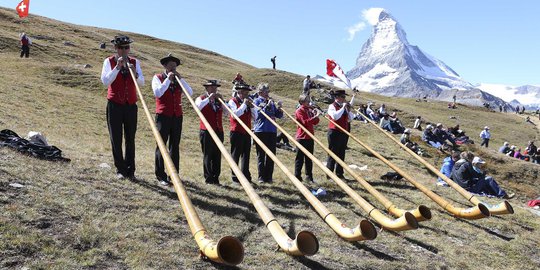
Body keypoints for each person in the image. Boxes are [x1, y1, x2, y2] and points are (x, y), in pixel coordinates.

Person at [100, 35, 144, 180]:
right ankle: (120, 169)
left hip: (131, 105)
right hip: (114, 105)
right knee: (116, 138)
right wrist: (117, 68)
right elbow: (105, 81)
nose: (124, 50)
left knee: (130, 138)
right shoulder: (109, 61)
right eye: (121, 48)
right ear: (116, 48)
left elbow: (142, 83)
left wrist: (135, 73)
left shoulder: (135, 62)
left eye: (127, 47)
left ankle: (131, 170)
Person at [152, 54, 193, 186]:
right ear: (165, 66)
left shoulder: (178, 80)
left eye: (174, 67)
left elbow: (190, 92)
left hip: (177, 116)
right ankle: (161, 175)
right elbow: (158, 93)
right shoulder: (157, 78)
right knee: (161, 145)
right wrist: (168, 80)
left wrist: (181, 80)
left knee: (174, 146)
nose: (173, 69)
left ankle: (174, 175)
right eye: (170, 67)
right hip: (163, 116)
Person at [195, 80, 224, 184]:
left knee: (217, 154)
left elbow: (226, 112)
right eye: (212, 87)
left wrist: (222, 100)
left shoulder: (218, 100)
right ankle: (208, 178)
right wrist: (209, 98)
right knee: (208, 154)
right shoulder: (201, 98)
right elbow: (198, 107)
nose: (214, 89)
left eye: (215, 87)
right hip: (206, 131)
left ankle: (216, 177)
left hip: (218, 130)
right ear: (206, 88)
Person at [253, 83, 283, 183]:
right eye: (265, 91)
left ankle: (269, 177)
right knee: (261, 155)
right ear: (260, 92)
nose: (267, 93)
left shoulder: (271, 102)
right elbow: (259, 115)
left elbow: (278, 115)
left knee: (271, 155)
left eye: (268, 91)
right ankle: (261, 177)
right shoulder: (256, 101)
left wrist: (279, 108)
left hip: (272, 130)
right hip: (261, 130)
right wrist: (267, 105)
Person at [228, 83, 257, 183]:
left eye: (247, 92)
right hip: (236, 132)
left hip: (246, 132)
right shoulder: (233, 101)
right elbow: (235, 114)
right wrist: (244, 104)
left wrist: (252, 107)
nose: (246, 95)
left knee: (246, 155)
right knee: (235, 155)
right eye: (244, 92)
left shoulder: (248, 103)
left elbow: (255, 117)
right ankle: (235, 177)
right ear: (239, 92)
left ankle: (246, 176)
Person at [326, 90, 355, 179]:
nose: (344, 99)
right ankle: (329, 175)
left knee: (341, 153)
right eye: (342, 97)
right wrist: (343, 108)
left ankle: (339, 174)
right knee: (332, 154)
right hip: (334, 132)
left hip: (343, 132)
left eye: (344, 97)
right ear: (337, 97)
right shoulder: (332, 106)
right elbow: (335, 117)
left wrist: (348, 110)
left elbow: (351, 118)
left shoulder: (344, 107)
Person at [294, 94, 321, 182]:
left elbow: (315, 122)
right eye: (307, 101)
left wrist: (316, 115)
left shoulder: (309, 110)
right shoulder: (299, 111)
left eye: (309, 101)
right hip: (302, 137)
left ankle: (309, 177)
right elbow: (305, 122)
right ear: (302, 102)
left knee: (309, 158)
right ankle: (297, 176)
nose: (309, 102)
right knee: (300, 158)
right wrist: (314, 117)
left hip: (310, 136)